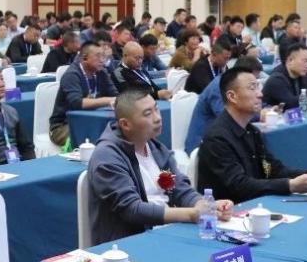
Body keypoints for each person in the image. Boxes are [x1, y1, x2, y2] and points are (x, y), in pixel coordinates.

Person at [88, 92, 231, 244]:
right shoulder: (107, 156)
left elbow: (180, 189)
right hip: (128, 243)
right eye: (147, 114)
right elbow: (132, 210)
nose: (157, 118)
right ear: (125, 124)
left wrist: (204, 205)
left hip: (165, 232)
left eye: (156, 109)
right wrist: (192, 214)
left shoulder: (155, 147)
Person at [198, 68, 307, 202]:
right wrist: (290, 185)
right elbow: (239, 186)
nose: (260, 94)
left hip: (257, 202)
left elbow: (271, 169)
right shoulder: (217, 138)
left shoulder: (252, 131)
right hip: (230, 209)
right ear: (232, 96)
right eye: (252, 88)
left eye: (258, 87)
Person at [184, 57, 264, 156]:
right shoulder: (219, 87)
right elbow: (229, 116)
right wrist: (259, 115)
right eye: (252, 86)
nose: (259, 93)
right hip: (202, 147)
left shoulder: (254, 132)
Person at [49, 42, 118, 147]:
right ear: (85, 58)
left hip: (91, 121)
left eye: (103, 56)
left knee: (117, 133)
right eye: (98, 56)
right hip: (64, 126)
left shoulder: (101, 73)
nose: (102, 60)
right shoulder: (71, 75)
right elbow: (77, 103)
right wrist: (107, 100)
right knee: (96, 140)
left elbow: (116, 95)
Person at [261, 43, 307, 109]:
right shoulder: (276, 79)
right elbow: (292, 104)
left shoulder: (302, 77)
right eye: (305, 61)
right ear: (290, 60)